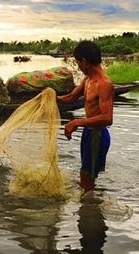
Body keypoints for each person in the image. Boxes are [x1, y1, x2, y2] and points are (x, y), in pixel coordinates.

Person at [56, 40, 114, 195]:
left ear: (85, 61)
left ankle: (90, 211)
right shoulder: (88, 80)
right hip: (88, 133)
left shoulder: (103, 83)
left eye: (78, 63)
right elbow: (70, 98)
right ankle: (89, 205)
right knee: (85, 176)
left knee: (86, 179)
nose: (78, 67)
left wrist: (76, 122)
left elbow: (107, 118)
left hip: (97, 136)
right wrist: (51, 96)